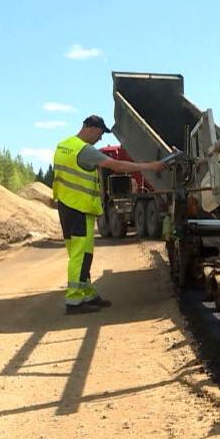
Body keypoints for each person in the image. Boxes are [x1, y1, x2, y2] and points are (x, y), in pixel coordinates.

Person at [53, 115, 165, 314]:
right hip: (80, 209)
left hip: (66, 206)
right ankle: (74, 301)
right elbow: (118, 166)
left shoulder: (63, 146)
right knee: (80, 255)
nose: (100, 138)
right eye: (99, 133)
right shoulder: (85, 151)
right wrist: (150, 166)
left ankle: (87, 294)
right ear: (89, 128)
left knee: (80, 254)